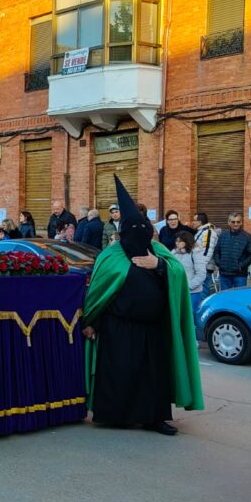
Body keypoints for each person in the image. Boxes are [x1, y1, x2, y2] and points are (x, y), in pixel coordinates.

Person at [81, 177, 204, 435]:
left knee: (154, 375)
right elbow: (99, 293)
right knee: (120, 372)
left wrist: (158, 265)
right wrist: (92, 322)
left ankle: (155, 418)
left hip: (153, 328)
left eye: (142, 227)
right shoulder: (111, 255)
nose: (138, 232)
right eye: (133, 228)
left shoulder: (158, 251)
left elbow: (178, 276)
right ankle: (117, 415)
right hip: (118, 327)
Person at [212, 212, 251, 290]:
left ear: (241, 222)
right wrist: (219, 263)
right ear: (229, 222)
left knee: (239, 296)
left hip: (240, 275)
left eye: (238, 222)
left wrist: (241, 266)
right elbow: (216, 252)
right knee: (225, 296)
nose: (236, 224)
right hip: (224, 274)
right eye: (233, 222)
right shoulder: (223, 236)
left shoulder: (247, 237)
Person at [172, 230, 207, 316]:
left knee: (191, 316)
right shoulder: (174, 253)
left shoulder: (196, 253)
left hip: (192, 293)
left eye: (180, 241)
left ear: (186, 241)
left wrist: (188, 287)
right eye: (176, 241)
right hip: (177, 291)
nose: (177, 243)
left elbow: (201, 274)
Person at [192, 212, 220, 297]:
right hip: (201, 266)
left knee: (202, 292)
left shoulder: (208, 232)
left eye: (194, 220)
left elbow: (207, 251)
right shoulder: (202, 231)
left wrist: (201, 266)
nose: (193, 222)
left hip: (204, 267)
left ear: (200, 222)